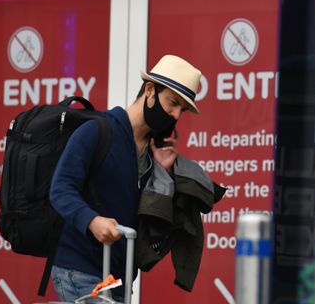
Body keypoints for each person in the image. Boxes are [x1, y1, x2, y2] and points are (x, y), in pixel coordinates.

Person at [49, 54, 202, 302]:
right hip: (79, 269)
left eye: (182, 110)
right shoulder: (97, 130)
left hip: (119, 278)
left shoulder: (153, 152)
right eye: (172, 102)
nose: (175, 115)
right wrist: (92, 221)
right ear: (150, 90)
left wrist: (162, 173)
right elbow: (60, 188)